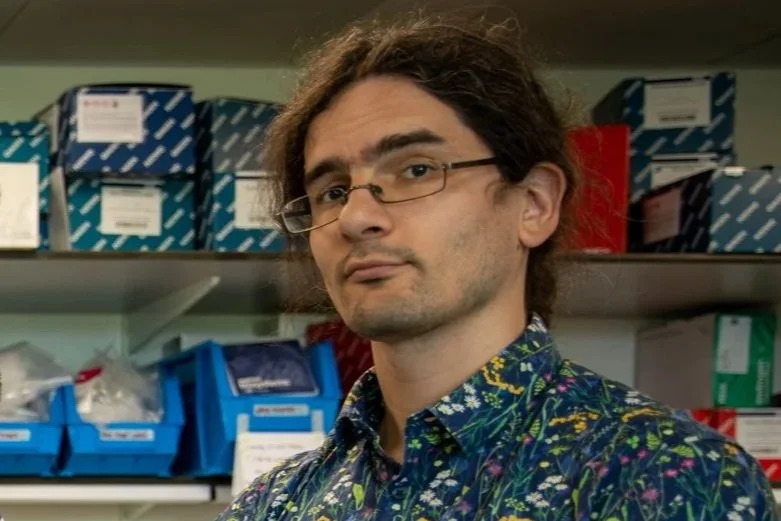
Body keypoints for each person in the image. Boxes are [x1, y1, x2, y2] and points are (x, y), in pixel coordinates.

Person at [216, 14, 777, 521]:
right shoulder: (275, 506)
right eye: (333, 190)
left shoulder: (671, 480)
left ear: (534, 204)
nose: (357, 216)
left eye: (415, 170)